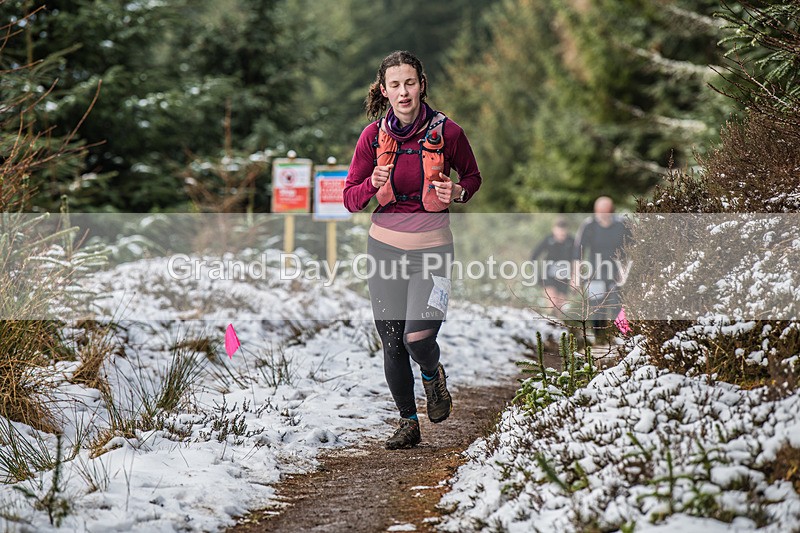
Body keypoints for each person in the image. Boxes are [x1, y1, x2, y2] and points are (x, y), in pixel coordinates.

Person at [342, 51, 482, 450]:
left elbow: (472, 177)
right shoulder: (372, 137)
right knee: (392, 341)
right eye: (395, 85)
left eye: (410, 83)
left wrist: (458, 191)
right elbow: (351, 199)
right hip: (384, 248)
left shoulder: (448, 132)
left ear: (422, 83)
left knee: (417, 338)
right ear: (384, 90)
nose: (403, 92)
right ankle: (407, 421)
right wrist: (371, 183)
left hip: (433, 250)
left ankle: (432, 372)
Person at [573, 196, 630, 340]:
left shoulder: (622, 224)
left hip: (617, 269)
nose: (602, 214)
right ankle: (599, 338)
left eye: (606, 210)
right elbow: (578, 252)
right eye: (599, 210)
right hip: (595, 270)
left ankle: (623, 337)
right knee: (597, 306)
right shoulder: (589, 225)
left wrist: (626, 270)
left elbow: (631, 249)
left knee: (619, 304)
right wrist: (575, 276)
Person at [530, 216, 574, 315]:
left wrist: (574, 278)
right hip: (549, 275)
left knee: (560, 308)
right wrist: (536, 275)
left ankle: (557, 328)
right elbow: (533, 257)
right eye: (559, 233)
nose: (561, 236)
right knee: (552, 304)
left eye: (563, 234)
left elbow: (576, 260)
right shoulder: (548, 240)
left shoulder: (571, 241)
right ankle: (549, 324)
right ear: (554, 230)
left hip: (564, 276)